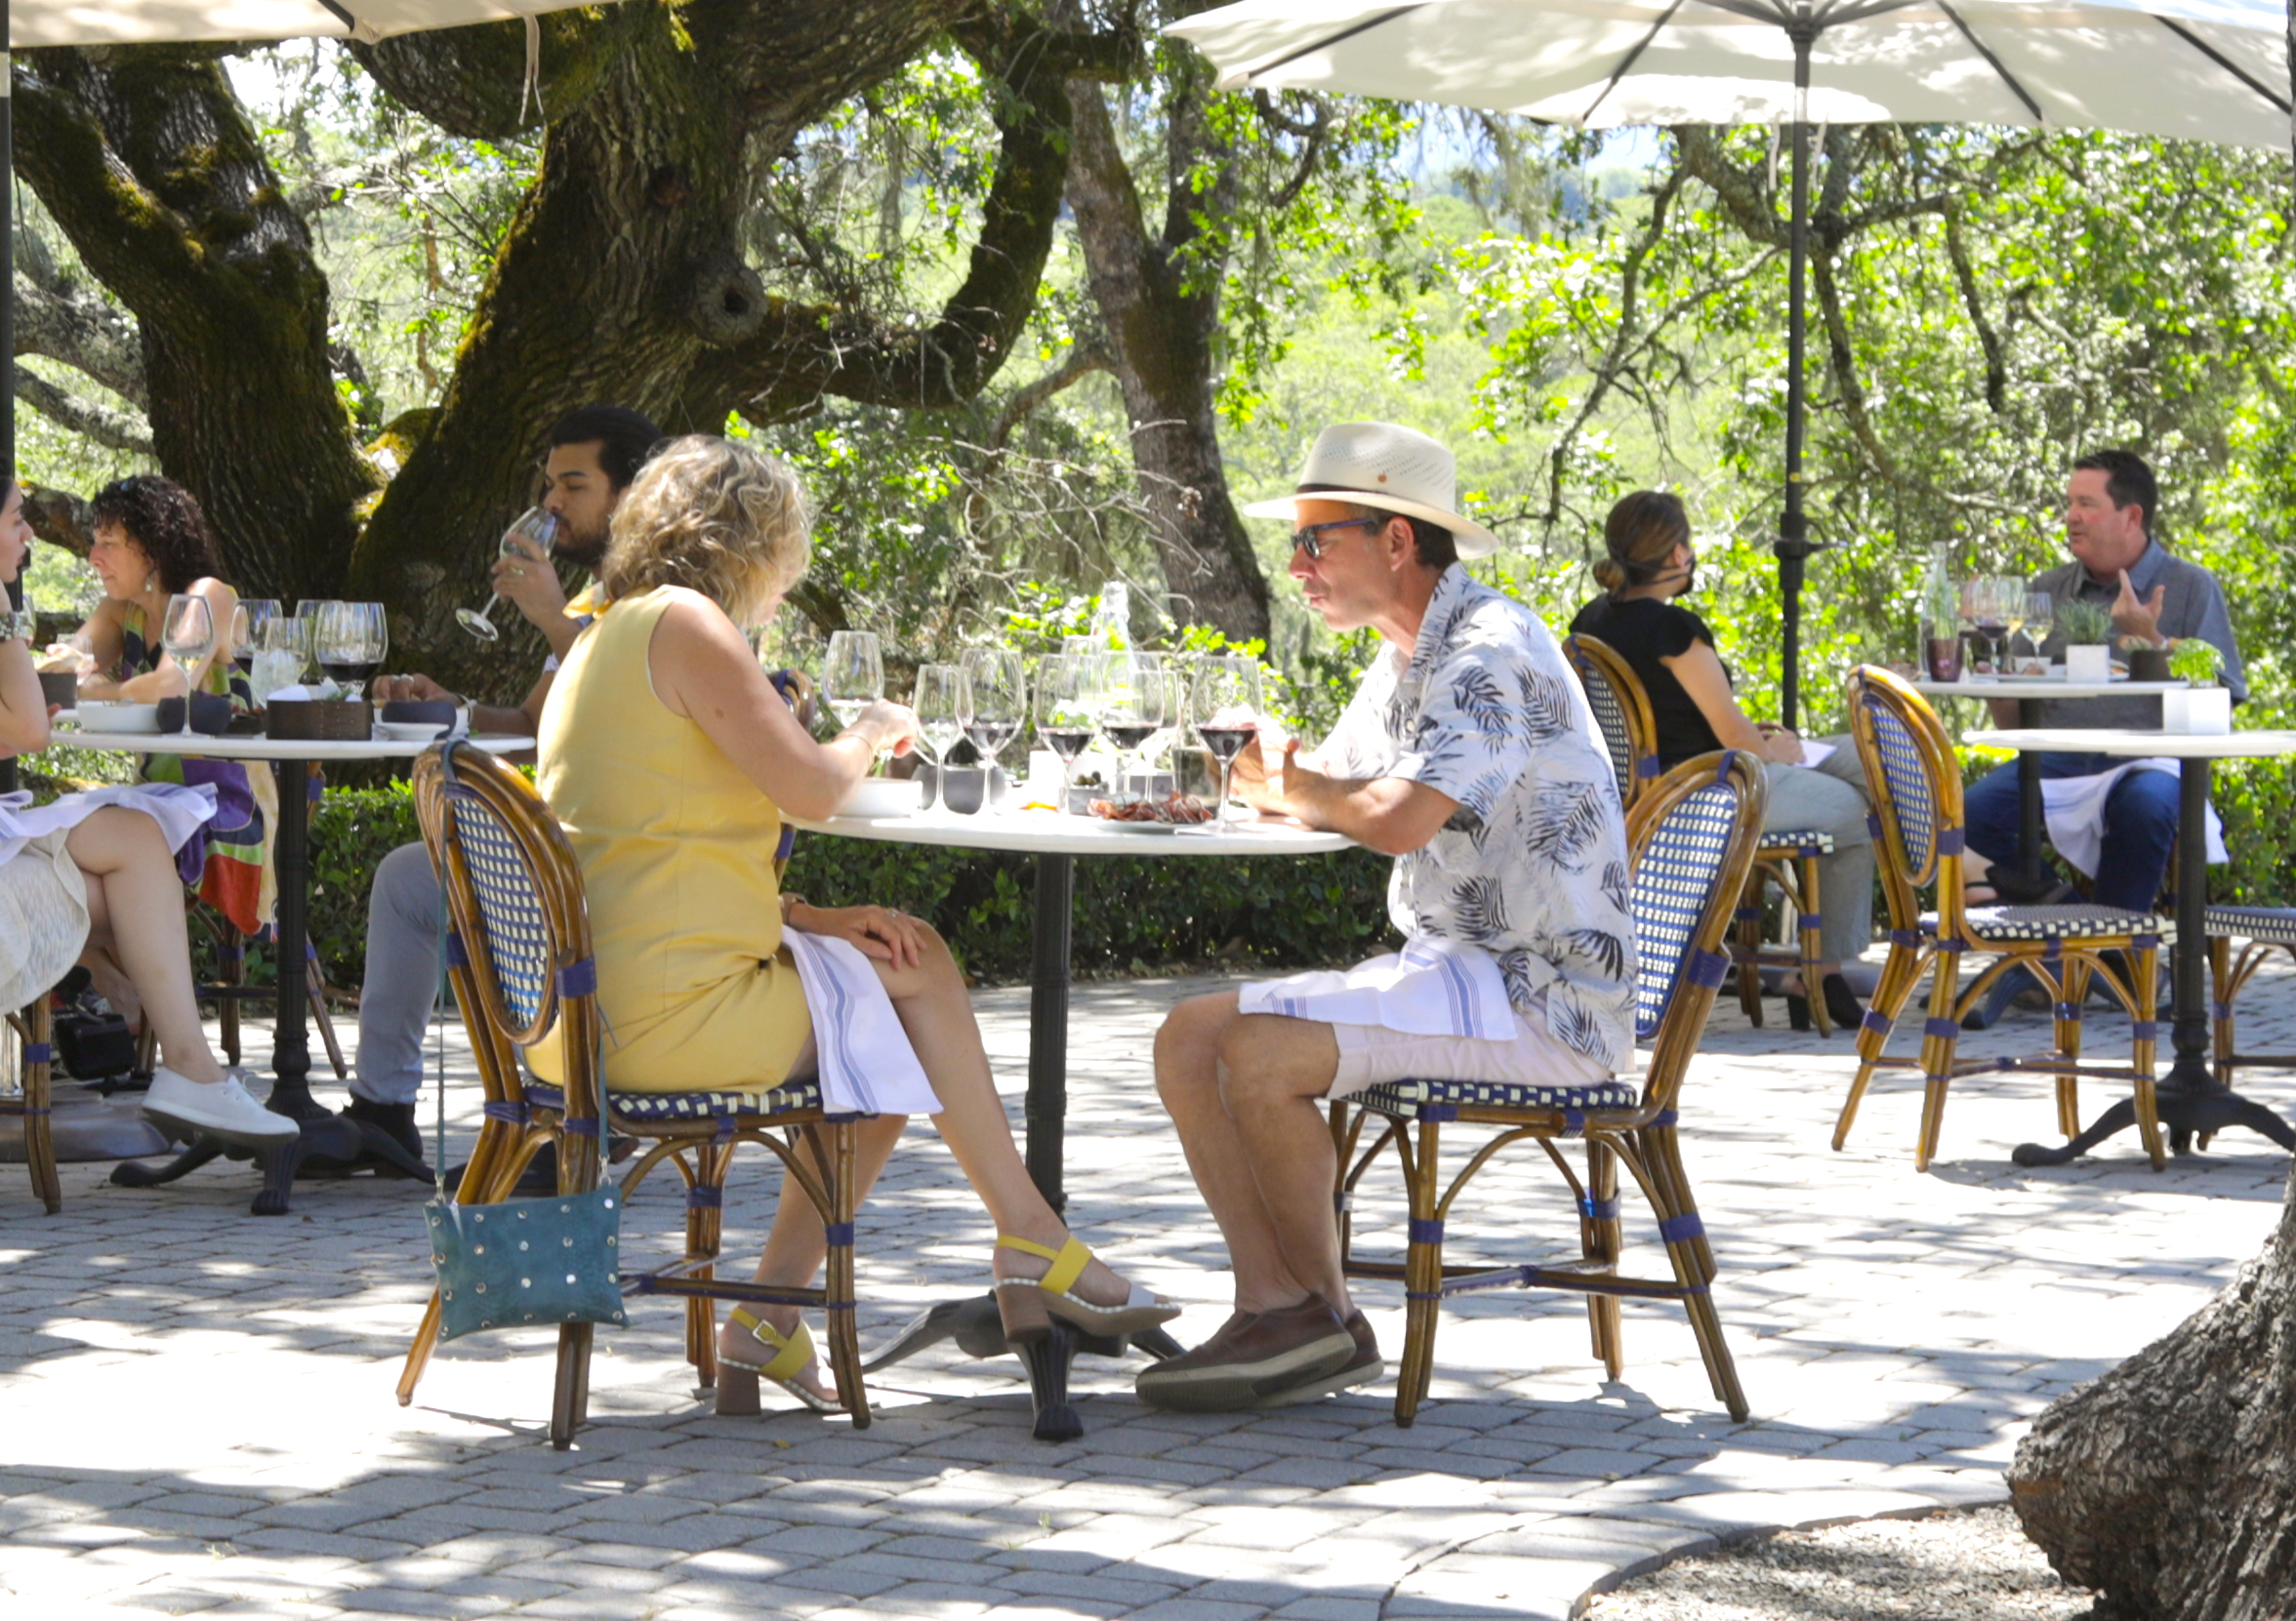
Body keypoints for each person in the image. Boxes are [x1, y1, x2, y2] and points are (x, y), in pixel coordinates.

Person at [533, 437, 1150, 1397]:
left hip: (577, 1017)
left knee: (899, 965)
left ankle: (786, 1315)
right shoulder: (688, 625)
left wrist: (809, 917)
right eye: (788, 557)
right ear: (751, 545)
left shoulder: (608, 633)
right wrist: (870, 727)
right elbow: (815, 789)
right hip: (659, 1023)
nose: (788, 582)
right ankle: (1023, 1241)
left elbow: (652, 844)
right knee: (904, 1002)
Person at [1142, 424, 1638, 1415]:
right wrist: (1270, 773)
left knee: (1260, 1056)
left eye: (1316, 541)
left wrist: (1304, 787)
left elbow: (1395, 813)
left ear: (1398, 542)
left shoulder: (1487, 648)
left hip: (1543, 1004)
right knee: (1187, 1036)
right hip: (1460, 975)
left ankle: (1320, 1324)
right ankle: (1276, 1304)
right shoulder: (1407, 653)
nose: (1296, 565)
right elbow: (1336, 789)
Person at [0, 449, 298, 1172]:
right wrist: (3, 619)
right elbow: (32, 729)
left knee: (129, 841)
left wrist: (10, 708)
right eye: (15, 520)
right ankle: (191, 1070)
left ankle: (185, 1067)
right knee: (133, 846)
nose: (31, 535)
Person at [336, 401, 667, 1179]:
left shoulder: (665, 599)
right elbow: (527, 724)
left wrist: (551, 617)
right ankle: (383, 1108)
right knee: (409, 878)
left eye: (572, 484)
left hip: (624, 849)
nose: (551, 502)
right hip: (562, 840)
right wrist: (443, 703)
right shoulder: (593, 600)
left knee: (481, 880)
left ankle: (575, 1122)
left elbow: (627, 701)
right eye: (549, 483)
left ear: (632, 493)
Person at [1568, 491, 1876, 1026]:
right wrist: (1771, 748)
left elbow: (1674, 719)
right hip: (1712, 793)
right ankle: (1821, 973)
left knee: (1871, 755)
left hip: (1651, 791)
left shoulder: (1590, 620)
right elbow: (1733, 734)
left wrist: (1764, 743)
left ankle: (1966, 874)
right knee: (1857, 808)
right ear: (1677, 556)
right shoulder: (1672, 629)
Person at [1958, 448, 2246, 914]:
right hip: (2055, 763)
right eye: (2070, 503)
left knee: (2145, 809)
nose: (2071, 517)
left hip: (2153, 761)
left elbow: (2224, 694)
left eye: (2087, 505)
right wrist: (1989, 659)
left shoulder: (2191, 586)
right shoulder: (2047, 590)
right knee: (1967, 815)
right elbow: (2012, 712)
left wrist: (2151, 639)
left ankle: (2108, 952)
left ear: (2132, 516)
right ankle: (2082, 931)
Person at [73, 474, 249, 700]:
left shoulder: (207, 597)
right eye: (95, 542)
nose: (93, 557)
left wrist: (94, 689)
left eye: (108, 543)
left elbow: (170, 690)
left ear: (155, 549)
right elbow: (57, 678)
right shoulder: (120, 609)